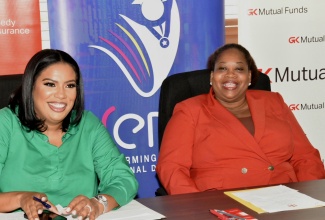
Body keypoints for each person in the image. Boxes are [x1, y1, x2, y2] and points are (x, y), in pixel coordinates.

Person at [156, 43, 325, 195]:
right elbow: (171, 168)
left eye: (239, 69)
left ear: (250, 77)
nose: (230, 75)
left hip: (284, 197)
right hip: (221, 202)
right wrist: (198, 207)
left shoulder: (274, 102)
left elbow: (306, 157)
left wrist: (310, 195)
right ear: (211, 76)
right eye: (222, 69)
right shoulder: (190, 111)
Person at [0, 49, 138, 219]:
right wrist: (21, 199)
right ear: (31, 86)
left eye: (70, 85)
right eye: (50, 84)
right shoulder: (5, 123)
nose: (61, 95)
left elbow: (123, 179)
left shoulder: (88, 124)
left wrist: (97, 203)